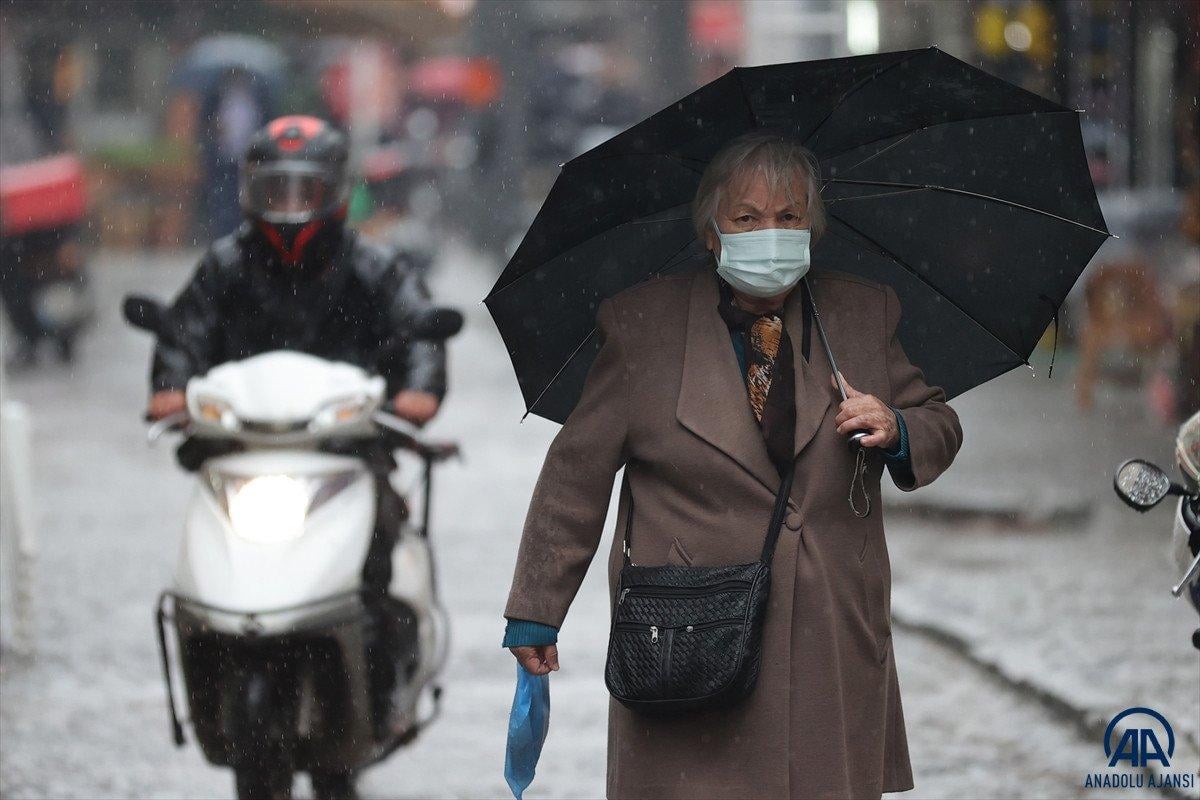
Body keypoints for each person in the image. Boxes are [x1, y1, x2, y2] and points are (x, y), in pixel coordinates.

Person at [501, 132, 963, 799]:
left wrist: (897, 427)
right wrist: (536, 611)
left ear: (813, 230)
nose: (770, 234)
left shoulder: (863, 314)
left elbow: (939, 422)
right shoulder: (643, 326)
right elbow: (576, 475)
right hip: (689, 632)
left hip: (830, 632)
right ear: (712, 233)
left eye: (789, 216)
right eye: (747, 217)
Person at [145, 115, 446, 745]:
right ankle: (209, 665)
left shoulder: (371, 265)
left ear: (334, 192)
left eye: (304, 189)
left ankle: (386, 681)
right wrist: (170, 385)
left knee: (381, 559)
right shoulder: (225, 265)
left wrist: (418, 389)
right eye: (274, 189)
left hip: (346, 449)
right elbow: (184, 329)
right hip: (242, 448)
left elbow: (417, 325)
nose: (288, 205)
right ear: (250, 191)